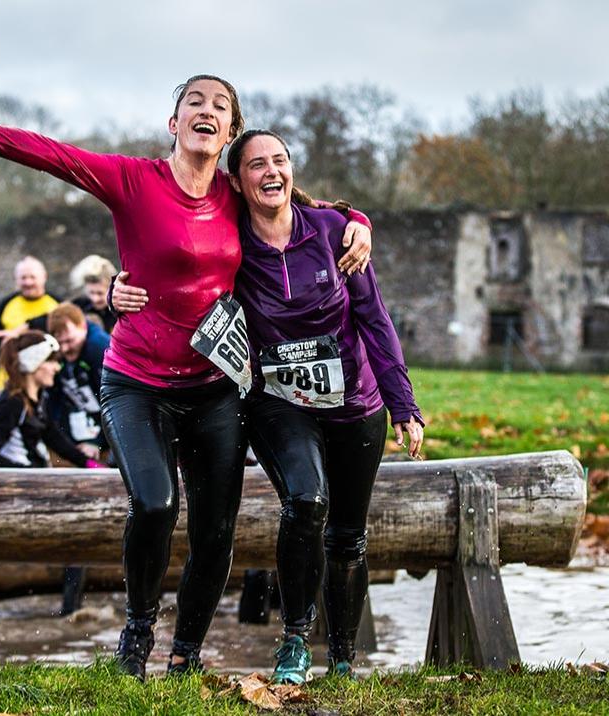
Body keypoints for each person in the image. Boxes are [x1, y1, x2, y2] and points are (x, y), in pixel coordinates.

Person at [0, 76, 372, 680]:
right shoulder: (132, 180)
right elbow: (47, 153)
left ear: (229, 133)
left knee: (215, 531)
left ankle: (185, 655)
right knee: (154, 503)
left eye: (220, 107)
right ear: (174, 124)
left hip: (216, 386)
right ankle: (139, 632)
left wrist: (359, 218)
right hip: (137, 379)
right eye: (193, 102)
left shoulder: (234, 192)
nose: (206, 111)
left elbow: (306, 210)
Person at [113, 129, 422, 683]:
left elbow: (374, 317)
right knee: (306, 500)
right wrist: (119, 288)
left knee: (349, 536)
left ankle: (345, 659)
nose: (271, 171)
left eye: (280, 160)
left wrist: (404, 405)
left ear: (292, 170)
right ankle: (296, 642)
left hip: (356, 403)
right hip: (281, 404)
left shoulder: (333, 232)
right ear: (239, 179)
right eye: (257, 164)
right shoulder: (230, 236)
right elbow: (173, 255)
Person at [0, 330, 90, 468]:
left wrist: (91, 465)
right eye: (50, 361)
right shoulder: (12, 402)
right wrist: (21, 474)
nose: (56, 367)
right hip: (21, 484)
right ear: (32, 363)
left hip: (34, 478)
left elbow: (55, 439)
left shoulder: (39, 398)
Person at [46, 302, 110, 466]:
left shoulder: (99, 349)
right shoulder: (59, 351)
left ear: (83, 327)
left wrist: (98, 442)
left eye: (70, 340)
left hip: (109, 430)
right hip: (80, 425)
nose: (66, 349)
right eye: (61, 343)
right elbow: (56, 399)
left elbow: (114, 403)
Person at [0, 256, 60, 380]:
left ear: (44, 277)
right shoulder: (7, 303)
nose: (28, 282)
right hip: (8, 379)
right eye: (23, 278)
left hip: (47, 379)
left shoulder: (56, 304)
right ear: (16, 280)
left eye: (32, 277)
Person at [69, 255, 118, 333]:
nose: (95, 299)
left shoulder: (119, 312)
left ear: (111, 289)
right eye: (91, 292)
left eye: (100, 293)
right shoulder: (78, 307)